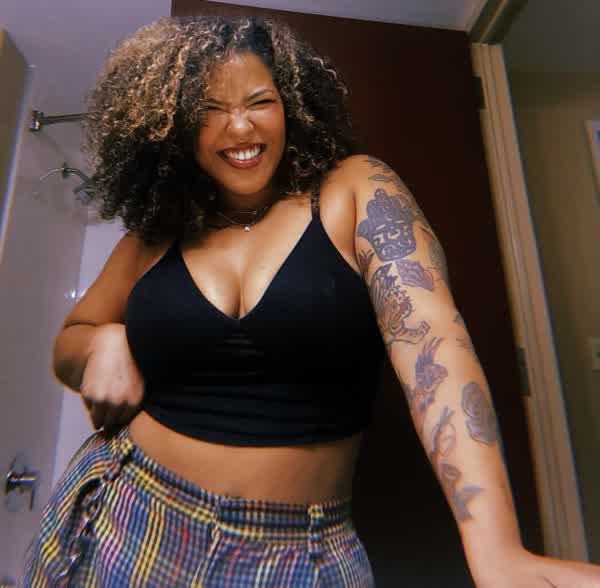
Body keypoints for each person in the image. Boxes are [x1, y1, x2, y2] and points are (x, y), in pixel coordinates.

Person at [21, 14, 600, 588]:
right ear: (177, 126)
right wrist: (103, 341)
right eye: (210, 109)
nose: (240, 127)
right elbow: (71, 339)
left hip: (298, 556)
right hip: (125, 512)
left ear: (292, 107)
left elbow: (433, 344)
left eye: (260, 102)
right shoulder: (156, 237)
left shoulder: (355, 189)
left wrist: (496, 547)